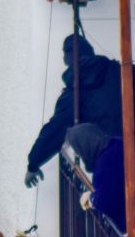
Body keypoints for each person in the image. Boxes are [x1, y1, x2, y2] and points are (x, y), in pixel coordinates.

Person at [25, 33, 126, 189]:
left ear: (67, 58)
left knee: (113, 203)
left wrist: (34, 163)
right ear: (90, 51)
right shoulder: (119, 71)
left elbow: (56, 128)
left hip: (110, 160)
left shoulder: (76, 90)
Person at [64, 123, 126, 234]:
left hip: (131, 223)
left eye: (79, 153)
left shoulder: (103, 166)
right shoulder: (117, 143)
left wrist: (92, 199)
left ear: (85, 147)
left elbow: (105, 201)